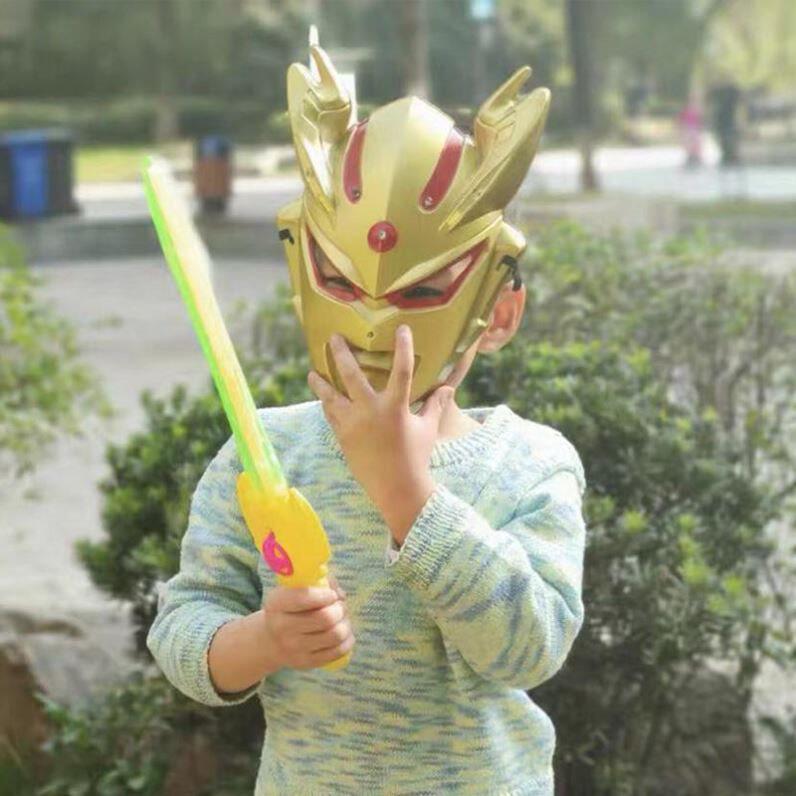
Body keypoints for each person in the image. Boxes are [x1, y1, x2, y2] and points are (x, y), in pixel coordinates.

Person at [147, 44, 587, 795]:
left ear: (499, 312)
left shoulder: (530, 464)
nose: (377, 325)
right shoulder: (264, 452)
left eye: (422, 293)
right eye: (342, 284)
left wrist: (406, 494)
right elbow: (184, 627)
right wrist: (263, 638)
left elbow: (529, 649)